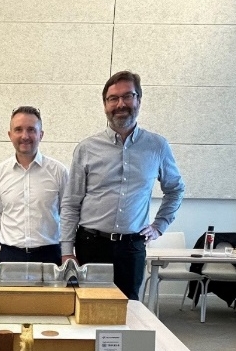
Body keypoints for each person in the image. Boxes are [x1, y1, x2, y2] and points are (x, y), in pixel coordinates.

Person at [60, 70, 185, 299]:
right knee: (88, 308)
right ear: (105, 104)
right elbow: (70, 203)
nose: (121, 104)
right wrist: (67, 251)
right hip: (91, 245)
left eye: (128, 96)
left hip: (131, 248)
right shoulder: (87, 148)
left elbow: (175, 189)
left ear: (138, 99)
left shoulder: (157, 146)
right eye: (113, 98)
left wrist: (159, 225)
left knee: (129, 311)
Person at [0, 106, 68, 265]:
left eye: (31, 130)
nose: (25, 136)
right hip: (10, 256)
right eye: (18, 129)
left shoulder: (59, 172)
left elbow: (67, 215)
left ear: (41, 134)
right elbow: (0, 215)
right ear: (10, 135)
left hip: (50, 256)